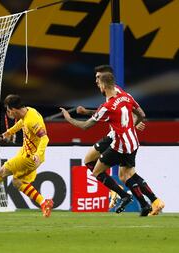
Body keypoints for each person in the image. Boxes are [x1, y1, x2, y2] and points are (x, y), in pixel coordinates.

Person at [60, 72, 153, 216]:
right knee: (126, 175)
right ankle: (145, 204)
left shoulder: (107, 106)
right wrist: (132, 125)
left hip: (120, 146)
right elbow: (141, 114)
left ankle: (124, 196)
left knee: (96, 171)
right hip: (133, 142)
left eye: (98, 84)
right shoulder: (126, 96)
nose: (99, 87)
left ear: (103, 85)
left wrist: (69, 118)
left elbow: (85, 126)